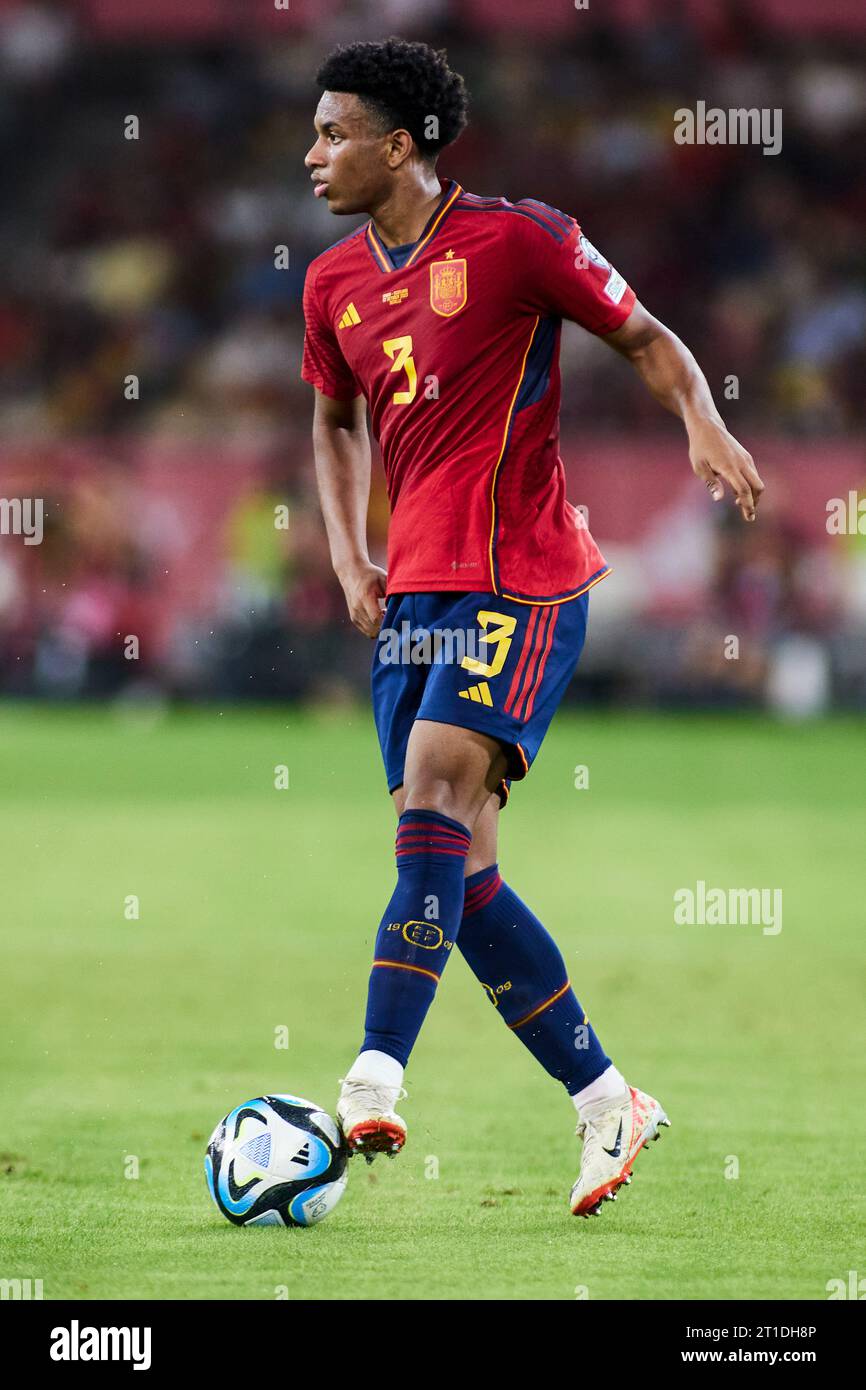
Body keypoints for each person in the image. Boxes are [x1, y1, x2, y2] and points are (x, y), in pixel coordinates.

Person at [301, 38, 763, 1217]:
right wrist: (353, 553)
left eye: (333, 133)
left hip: (523, 577)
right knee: (462, 877)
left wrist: (701, 423)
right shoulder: (330, 285)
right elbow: (335, 419)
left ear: (398, 145)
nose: (312, 156)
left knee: (431, 804)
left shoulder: (519, 240)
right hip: (413, 592)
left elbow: (645, 336)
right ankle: (608, 1097)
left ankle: (372, 1070)